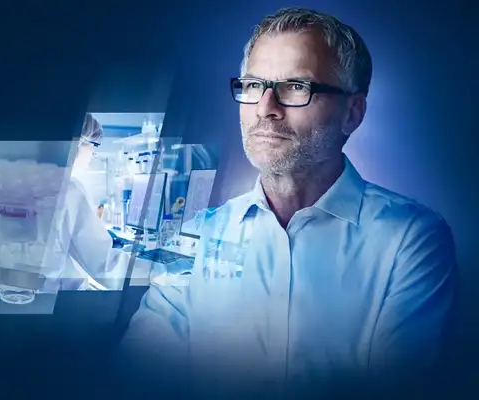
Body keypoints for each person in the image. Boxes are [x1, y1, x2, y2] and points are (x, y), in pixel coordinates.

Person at [115, 7, 457, 397]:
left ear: (352, 113)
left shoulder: (410, 239)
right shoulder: (194, 237)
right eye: (254, 85)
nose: (265, 108)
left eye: (296, 86)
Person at [49, 113, 130, 291]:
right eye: (94, 145)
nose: (94, 154)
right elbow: (104, 265)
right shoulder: (68, 189)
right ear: (77, 142)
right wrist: (160, 269)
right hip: (55, 301)